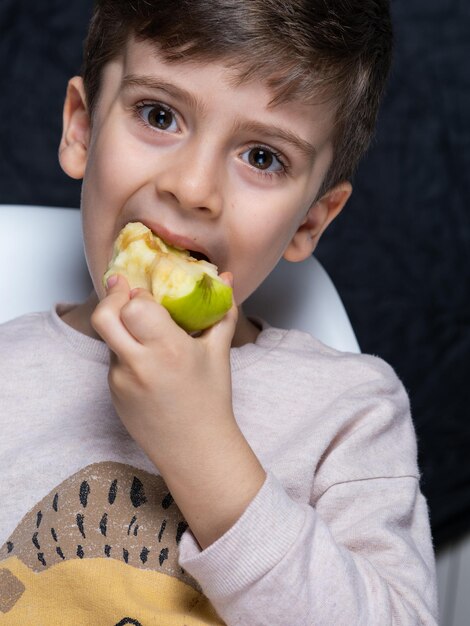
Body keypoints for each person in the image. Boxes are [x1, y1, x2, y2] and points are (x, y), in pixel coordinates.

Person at [0, 1, 438, 624]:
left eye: (263, 157)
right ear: (80, 128)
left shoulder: (351, 411)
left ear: (310, 219)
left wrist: (204, 451)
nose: (194, 188)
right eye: (159, 115)